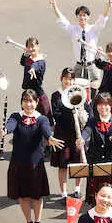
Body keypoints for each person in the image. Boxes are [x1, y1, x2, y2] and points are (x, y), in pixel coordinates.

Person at [5, 89, 58, 223]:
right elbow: (11, 124)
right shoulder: (16, 116)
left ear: (36, 102)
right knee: (23, 196)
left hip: (35, 164)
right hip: (19, 162)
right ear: (22, 102)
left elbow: (46, 130)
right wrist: (5, 130)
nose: (28, 104)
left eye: (31, 101)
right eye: (25, 101)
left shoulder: (42, 119)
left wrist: (50, 138)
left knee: (37, 196)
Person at [50, 0, 112, 87]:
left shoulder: (94, 29)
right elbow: (62, 20)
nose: (82, 17)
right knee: (77, 90)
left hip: (92, 66)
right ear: (77, 17)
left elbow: (102, 19)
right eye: (80, 15)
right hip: (79, 66)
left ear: (88, 17)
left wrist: (108, 7)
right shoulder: (73, 30)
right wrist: (54, 6)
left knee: (94, 90)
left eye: (84, 15)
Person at [80, 93, 112, 205]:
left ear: (111, 105)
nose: (103, 107)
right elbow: (87, 131)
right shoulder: (92, 121)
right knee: (96, 202)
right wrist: (82, 139)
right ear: (96, 106)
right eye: (100, 104)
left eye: (106, 104)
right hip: (96, 164)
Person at [50, 67, 85, 199]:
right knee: (63, 164)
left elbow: (86, 109)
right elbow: (57, 115)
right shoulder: (56, 95)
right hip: (62, 134)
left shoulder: (78, 93)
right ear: (61, 79)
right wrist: (71, 110)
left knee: (78, 163)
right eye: (66, 79)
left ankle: (77, 189)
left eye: (71, 79)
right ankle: (63, 193)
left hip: (76, 133)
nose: (68, 82)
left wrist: (81, 113)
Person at [19, 37, 51, 119]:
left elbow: (36, 65)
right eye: (29, 47)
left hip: (37, 95)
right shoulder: (28, 58)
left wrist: (33, 69)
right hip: (27, 92)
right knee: (26, 119)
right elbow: (22, 62)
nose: (31, 49)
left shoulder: (41, 61)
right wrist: (25, 53)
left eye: (33, 46)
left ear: (38, 46)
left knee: (45, 119)